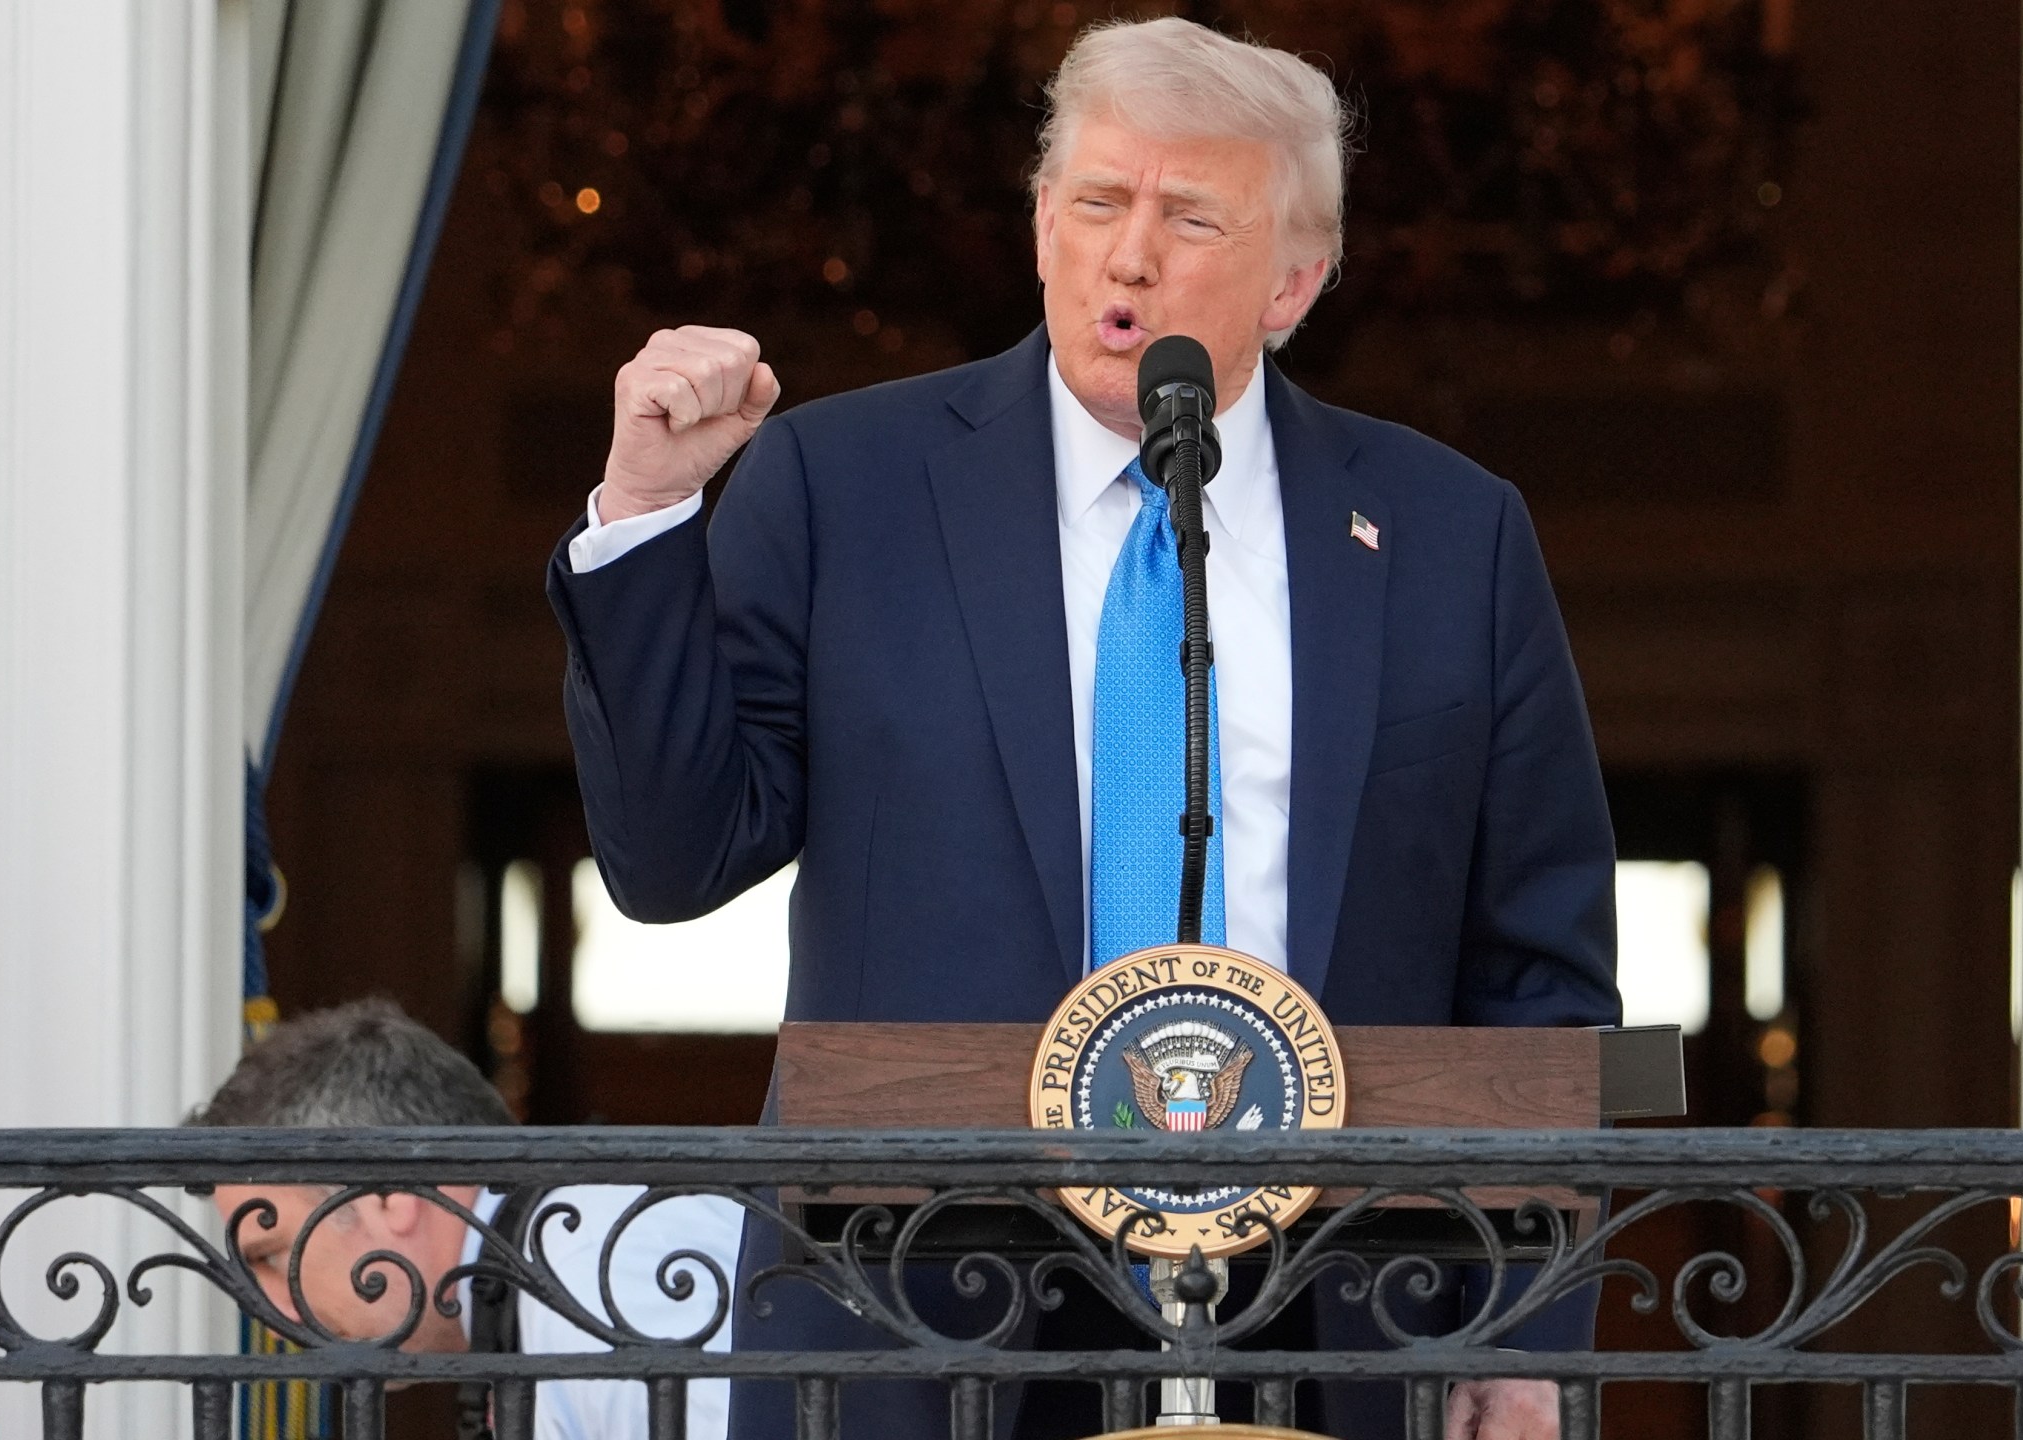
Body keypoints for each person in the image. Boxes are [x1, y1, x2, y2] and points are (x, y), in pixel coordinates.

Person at [545, 17, 1617, 1440]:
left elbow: (1538, 977)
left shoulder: (1447, 534)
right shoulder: (846, 485)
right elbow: (673, 860)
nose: (1131, 255)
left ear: (1293, 282)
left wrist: (1523, 1335)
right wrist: (646, 517)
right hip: (914, 1312)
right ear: (1042, 224)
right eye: (1099, 202)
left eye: (1190, 217)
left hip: (1334, 1319)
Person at [192, 1000, 746, 1440]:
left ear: (389, 1193)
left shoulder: (591, 1274)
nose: (272, 1314)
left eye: (272, 1253)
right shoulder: (556, 1267)